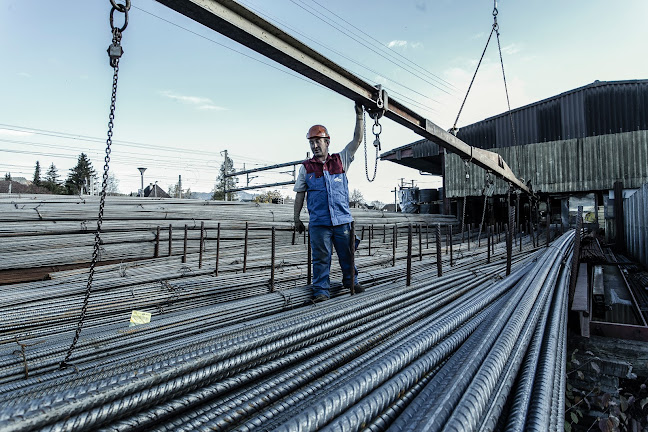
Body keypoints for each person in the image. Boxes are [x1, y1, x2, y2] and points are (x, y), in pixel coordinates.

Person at [294, 102, 365, 303]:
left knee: (347, 254)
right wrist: (296, 218)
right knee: (321, 259)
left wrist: (359, 116)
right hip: (319, 223)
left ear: (327, 142)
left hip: (342, 220)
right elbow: (300, 194)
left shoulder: (341, 160)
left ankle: (351, 281)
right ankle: (321, 292)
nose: (315, 146)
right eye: (312, 143)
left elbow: (357, 140)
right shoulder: (306, 168)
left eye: (319, 141)